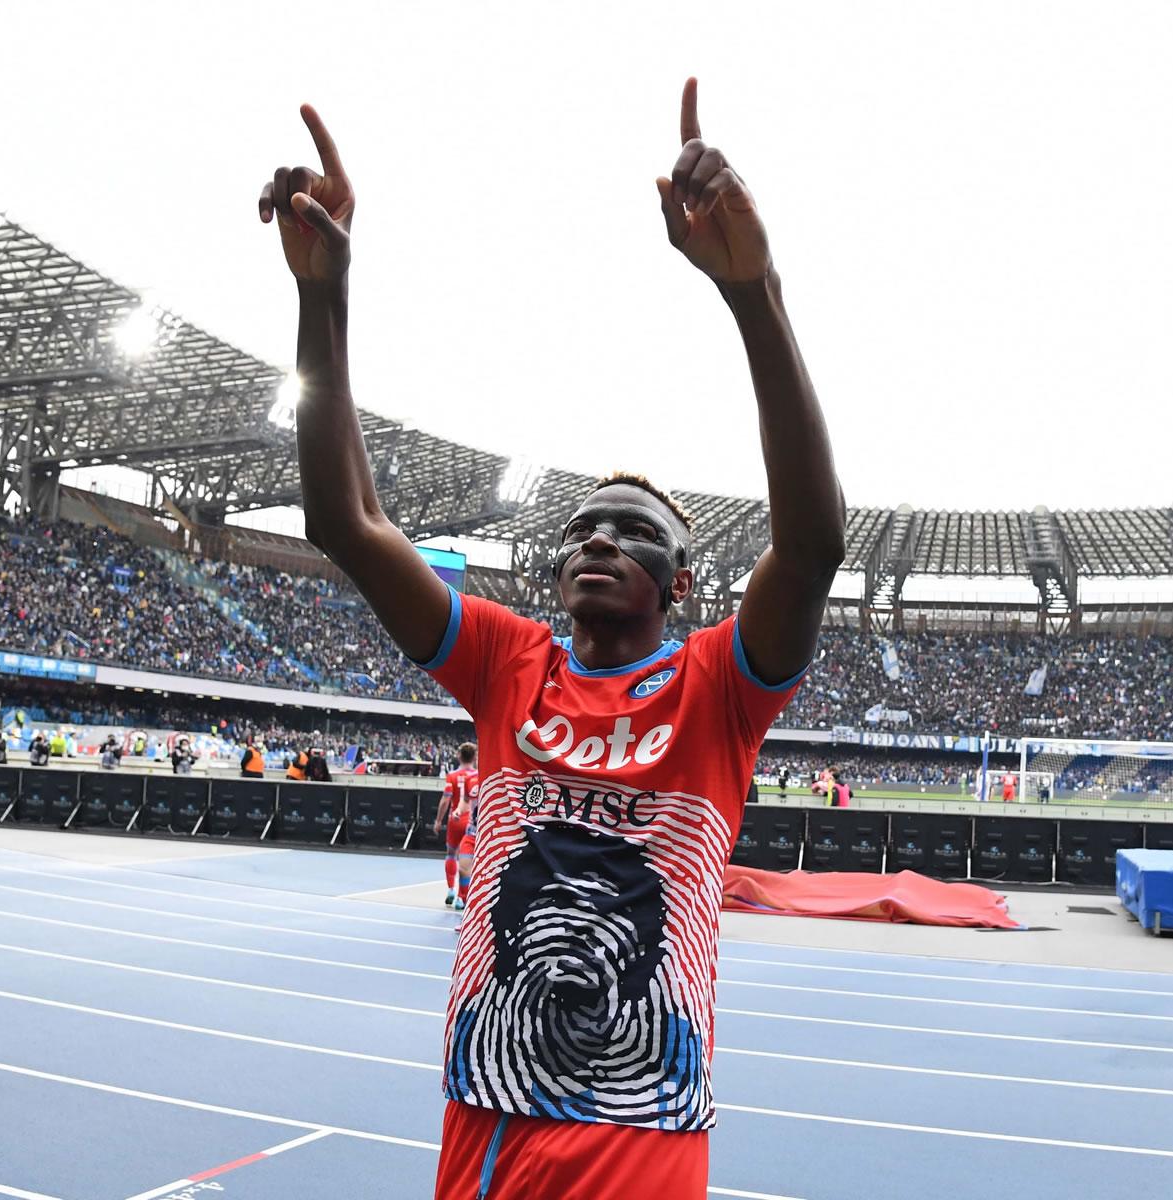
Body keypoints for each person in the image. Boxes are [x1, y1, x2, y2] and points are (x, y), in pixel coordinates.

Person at [262, 78, 844, 1200]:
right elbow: (347, 522)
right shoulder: (504, 661)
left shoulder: (721, 685)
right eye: (582, 527)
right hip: (484, 1121)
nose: (597, 540)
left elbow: (812, 543)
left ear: (682, 580)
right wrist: (324, 299)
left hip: (639, 1135)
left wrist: (753, 295)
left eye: (632, 533)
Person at [433, 742, 479, 908]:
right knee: (467, 862)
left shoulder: (452, 775)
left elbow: (446, 799)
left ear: (459, 755)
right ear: (475, 757)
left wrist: (439, 820)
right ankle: (461, 897)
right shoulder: (477, 775)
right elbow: (465, 799)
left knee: (451, 854)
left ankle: (451, 889)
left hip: (456, 820)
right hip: (469, 820)